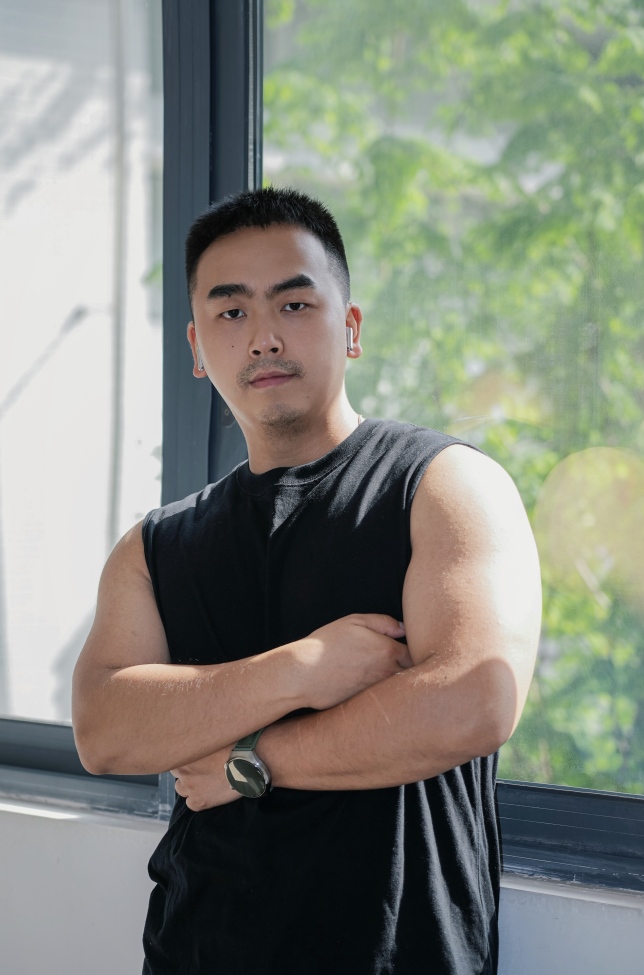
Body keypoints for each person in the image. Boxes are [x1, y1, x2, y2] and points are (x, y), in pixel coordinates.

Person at [72, 187, 541, 975]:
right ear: (196, 348)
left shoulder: (443, 485)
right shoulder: (154, 546)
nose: (263, 336)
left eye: (293, 304)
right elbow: (103, 728)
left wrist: (248, 762)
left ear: (349, 327)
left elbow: (474, 699)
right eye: (231, 312)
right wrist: (305, 668)